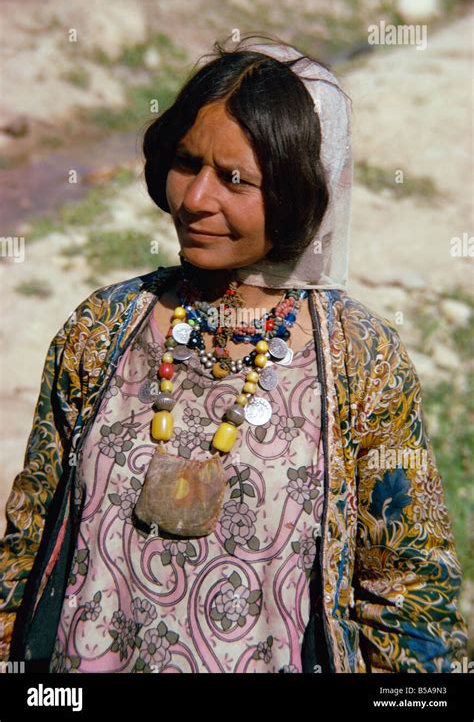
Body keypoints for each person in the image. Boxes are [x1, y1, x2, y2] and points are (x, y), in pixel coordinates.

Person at [0, 34, 468, 674]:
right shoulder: (103, 328)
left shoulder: (363, 359)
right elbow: (27, 547)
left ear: (303, 190)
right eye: (187, 163)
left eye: (235, 179)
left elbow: (411, 593)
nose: (195, 199)